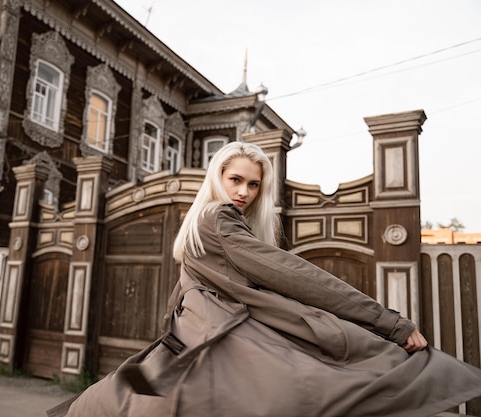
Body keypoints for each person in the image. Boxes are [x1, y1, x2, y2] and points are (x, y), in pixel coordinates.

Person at [49, 142, 481, 417]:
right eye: (234, 179)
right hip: (227, 342)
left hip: (204, 347)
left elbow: (180, 298)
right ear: (216, 177)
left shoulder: (200, 223)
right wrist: (389, 323)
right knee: (364, 378)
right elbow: (296, 275)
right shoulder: (218, 217)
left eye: (253, 185)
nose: (243, 192)